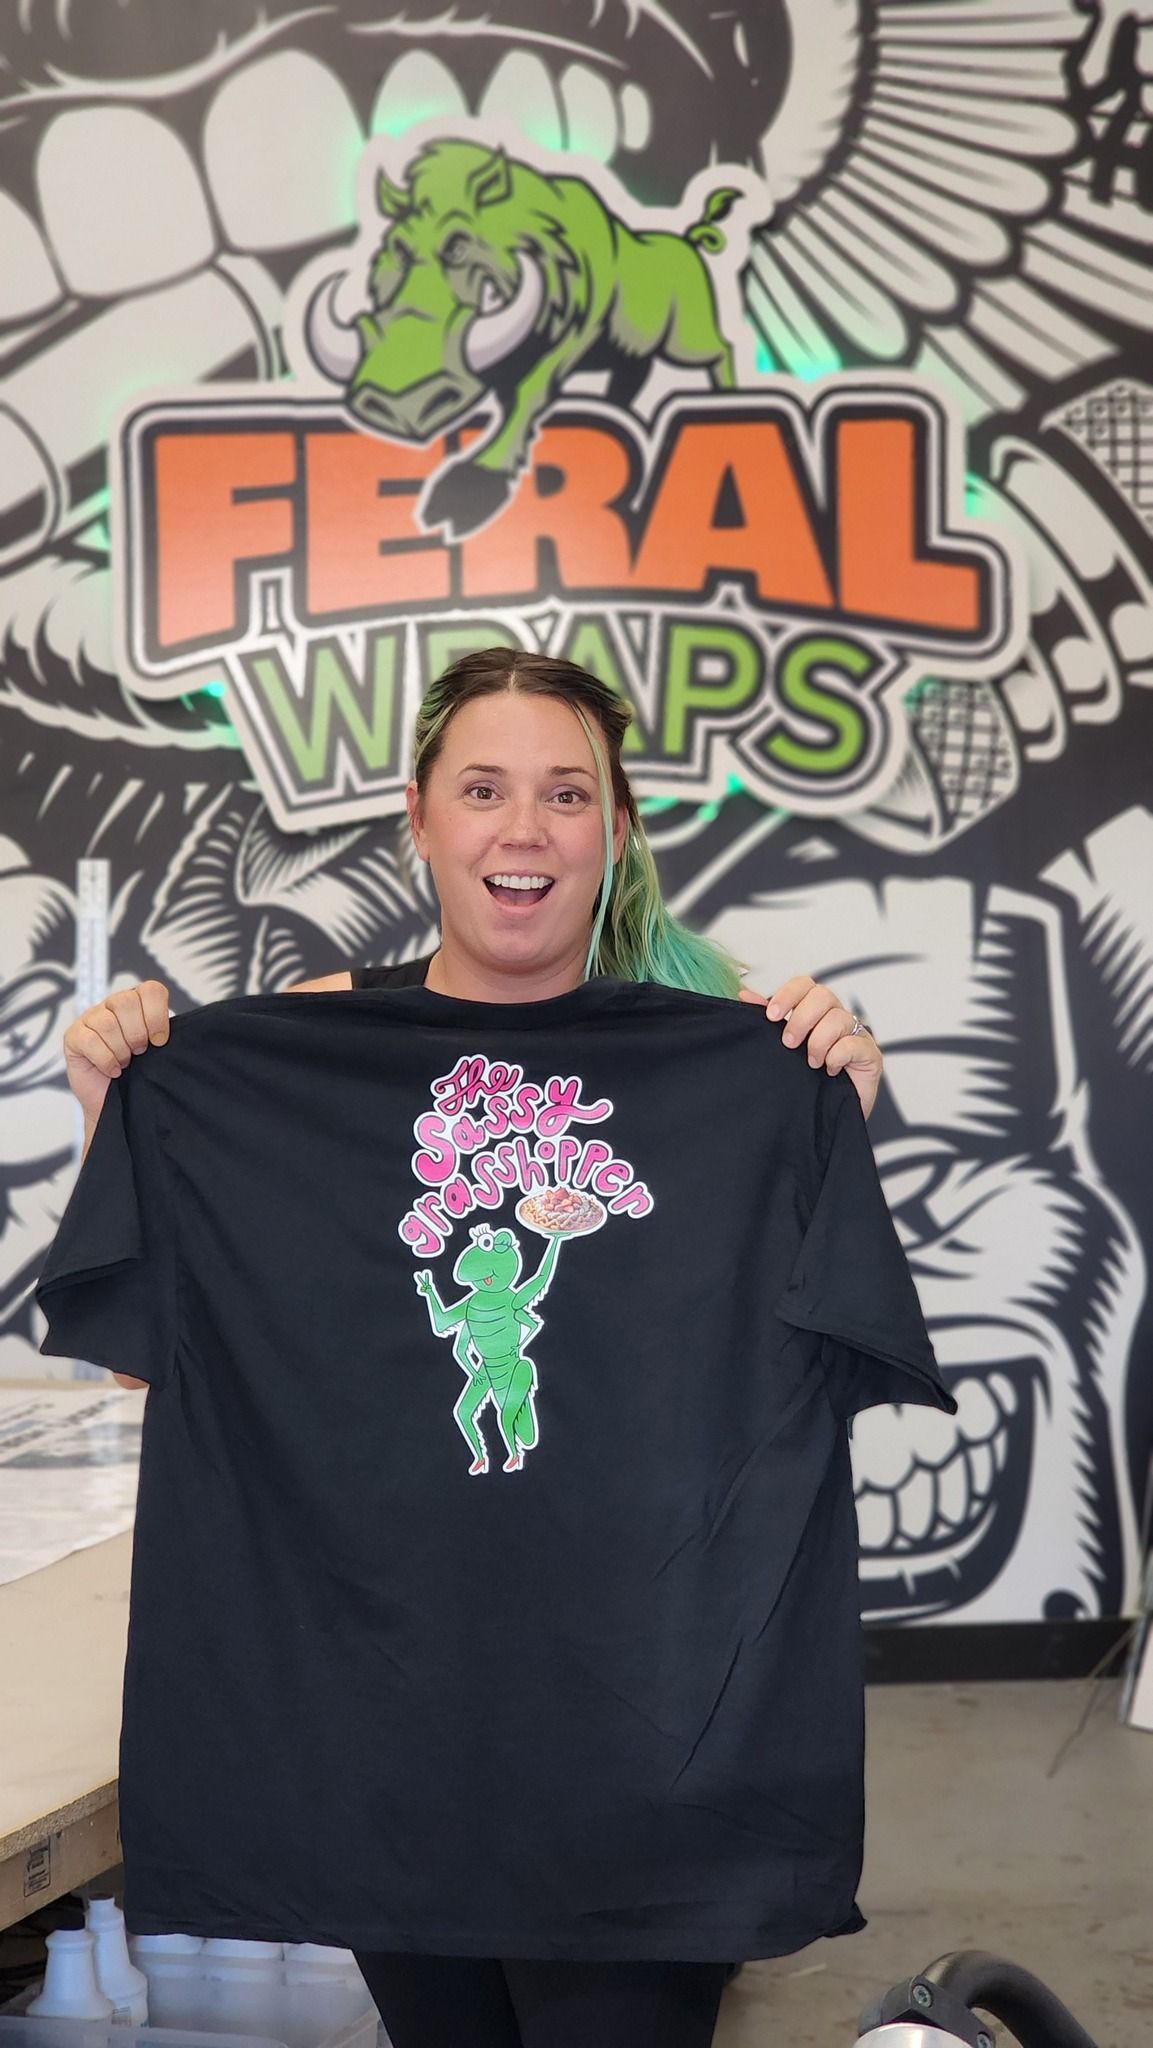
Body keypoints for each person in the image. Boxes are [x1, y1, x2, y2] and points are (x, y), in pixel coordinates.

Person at [59, 648, 886, 2048]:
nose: (524, 828)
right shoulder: (302, 1056)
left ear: (614, 830)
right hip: (389, 1729)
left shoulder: (739, 1060)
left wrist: (831, 1112)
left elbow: (804, 1349)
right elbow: (159, 1360)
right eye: (484, 789)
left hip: (647, 1737)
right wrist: (120, 1112)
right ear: (418, 818)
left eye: (566, 793)